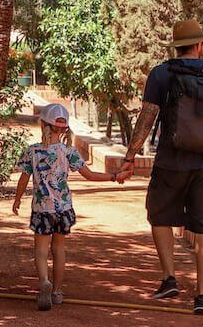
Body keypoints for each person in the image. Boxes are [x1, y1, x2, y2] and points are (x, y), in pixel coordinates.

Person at [117, 19, 203, 315]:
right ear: (200, 46)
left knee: (159, 215)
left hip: (171, 162)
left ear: (176, 47)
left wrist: (130, 157)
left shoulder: (161, 74)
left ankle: (169, 278)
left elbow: (147, 118)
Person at [13, 102, 125, 311]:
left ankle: (44, 281)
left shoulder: (33, 151)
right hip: (63, 208)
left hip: (42, 208)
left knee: (41, 250)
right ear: (64, 128)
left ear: (42, 125)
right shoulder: (69, 152)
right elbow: (89, 175)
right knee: (59, 249)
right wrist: (114, 176)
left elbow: (24, 178)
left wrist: (17, 199)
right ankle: (56, 291)